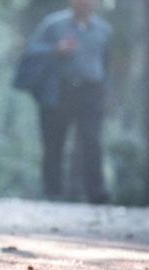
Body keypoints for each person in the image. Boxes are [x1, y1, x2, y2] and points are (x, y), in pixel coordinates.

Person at [14, 0, 112, 203]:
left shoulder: (104, 30)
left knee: (91, 140)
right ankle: (53, 191)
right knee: (54, 141)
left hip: (91, 92)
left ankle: (96, 193)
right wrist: (55, 50)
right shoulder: (54, 25)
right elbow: (31, 51)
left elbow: (106, 65)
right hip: (60, 90)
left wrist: (107, 93)